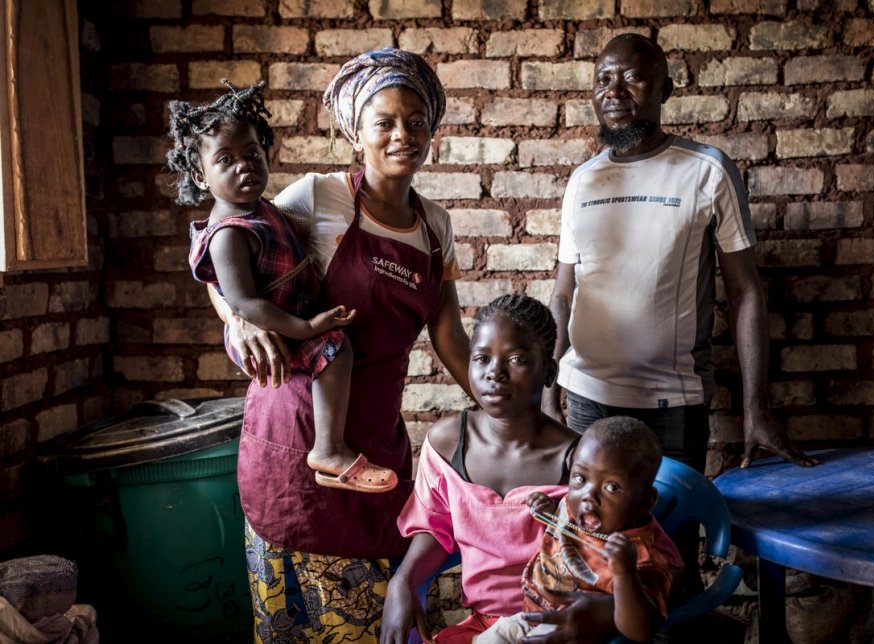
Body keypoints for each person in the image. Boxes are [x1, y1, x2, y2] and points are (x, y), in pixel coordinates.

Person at [205, 49, 472, 641]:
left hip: (373, 444)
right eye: (385, 121)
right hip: (294, 434)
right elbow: (221, 250)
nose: (403, 134)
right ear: (357, 132)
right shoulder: (318, 197)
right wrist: (237, 321)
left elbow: (449, 334)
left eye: (417, 120)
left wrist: (506, 407)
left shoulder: (436, 225)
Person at [542, 33, 818, 474]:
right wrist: (546, 391)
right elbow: (562, 295)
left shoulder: (707, 170)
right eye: (603, 79)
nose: (614, 91)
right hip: (586, 400)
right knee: (592, 539)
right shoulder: (582, 181)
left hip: (672, 406)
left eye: (633, 77)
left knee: (670, 540)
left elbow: (745, 293)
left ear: (665, 90)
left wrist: (757, 408)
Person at [169, 79, 397, 493]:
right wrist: (308, 328)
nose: (245, 165)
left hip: (285, 318)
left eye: (252, 153)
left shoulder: (267, 209)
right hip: (274, 331)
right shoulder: (229, 234)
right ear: (200, 177)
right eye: (225, 160)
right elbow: (243, 303)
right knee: (336, 349)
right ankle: (328, 450)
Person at [381, 294, 634, 644]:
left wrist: (601, 616)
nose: (494, 373)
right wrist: (404, 580)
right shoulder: (448, 443)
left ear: (549, 371)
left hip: (559, 628)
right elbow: (435, 525)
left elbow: (649, 558)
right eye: (481, 358)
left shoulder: (580, 462)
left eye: (516, 359)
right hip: (483, 627)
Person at [475, 416, 684, 644]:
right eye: (580, 478)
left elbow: (641, 630)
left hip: (580, 634)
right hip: (528, 618)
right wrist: (550, 512)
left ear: (645, 502)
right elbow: (568, 538)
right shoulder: (571, 508)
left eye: (611, 487)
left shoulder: (640, 558)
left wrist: (625, 574)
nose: (589, 496)